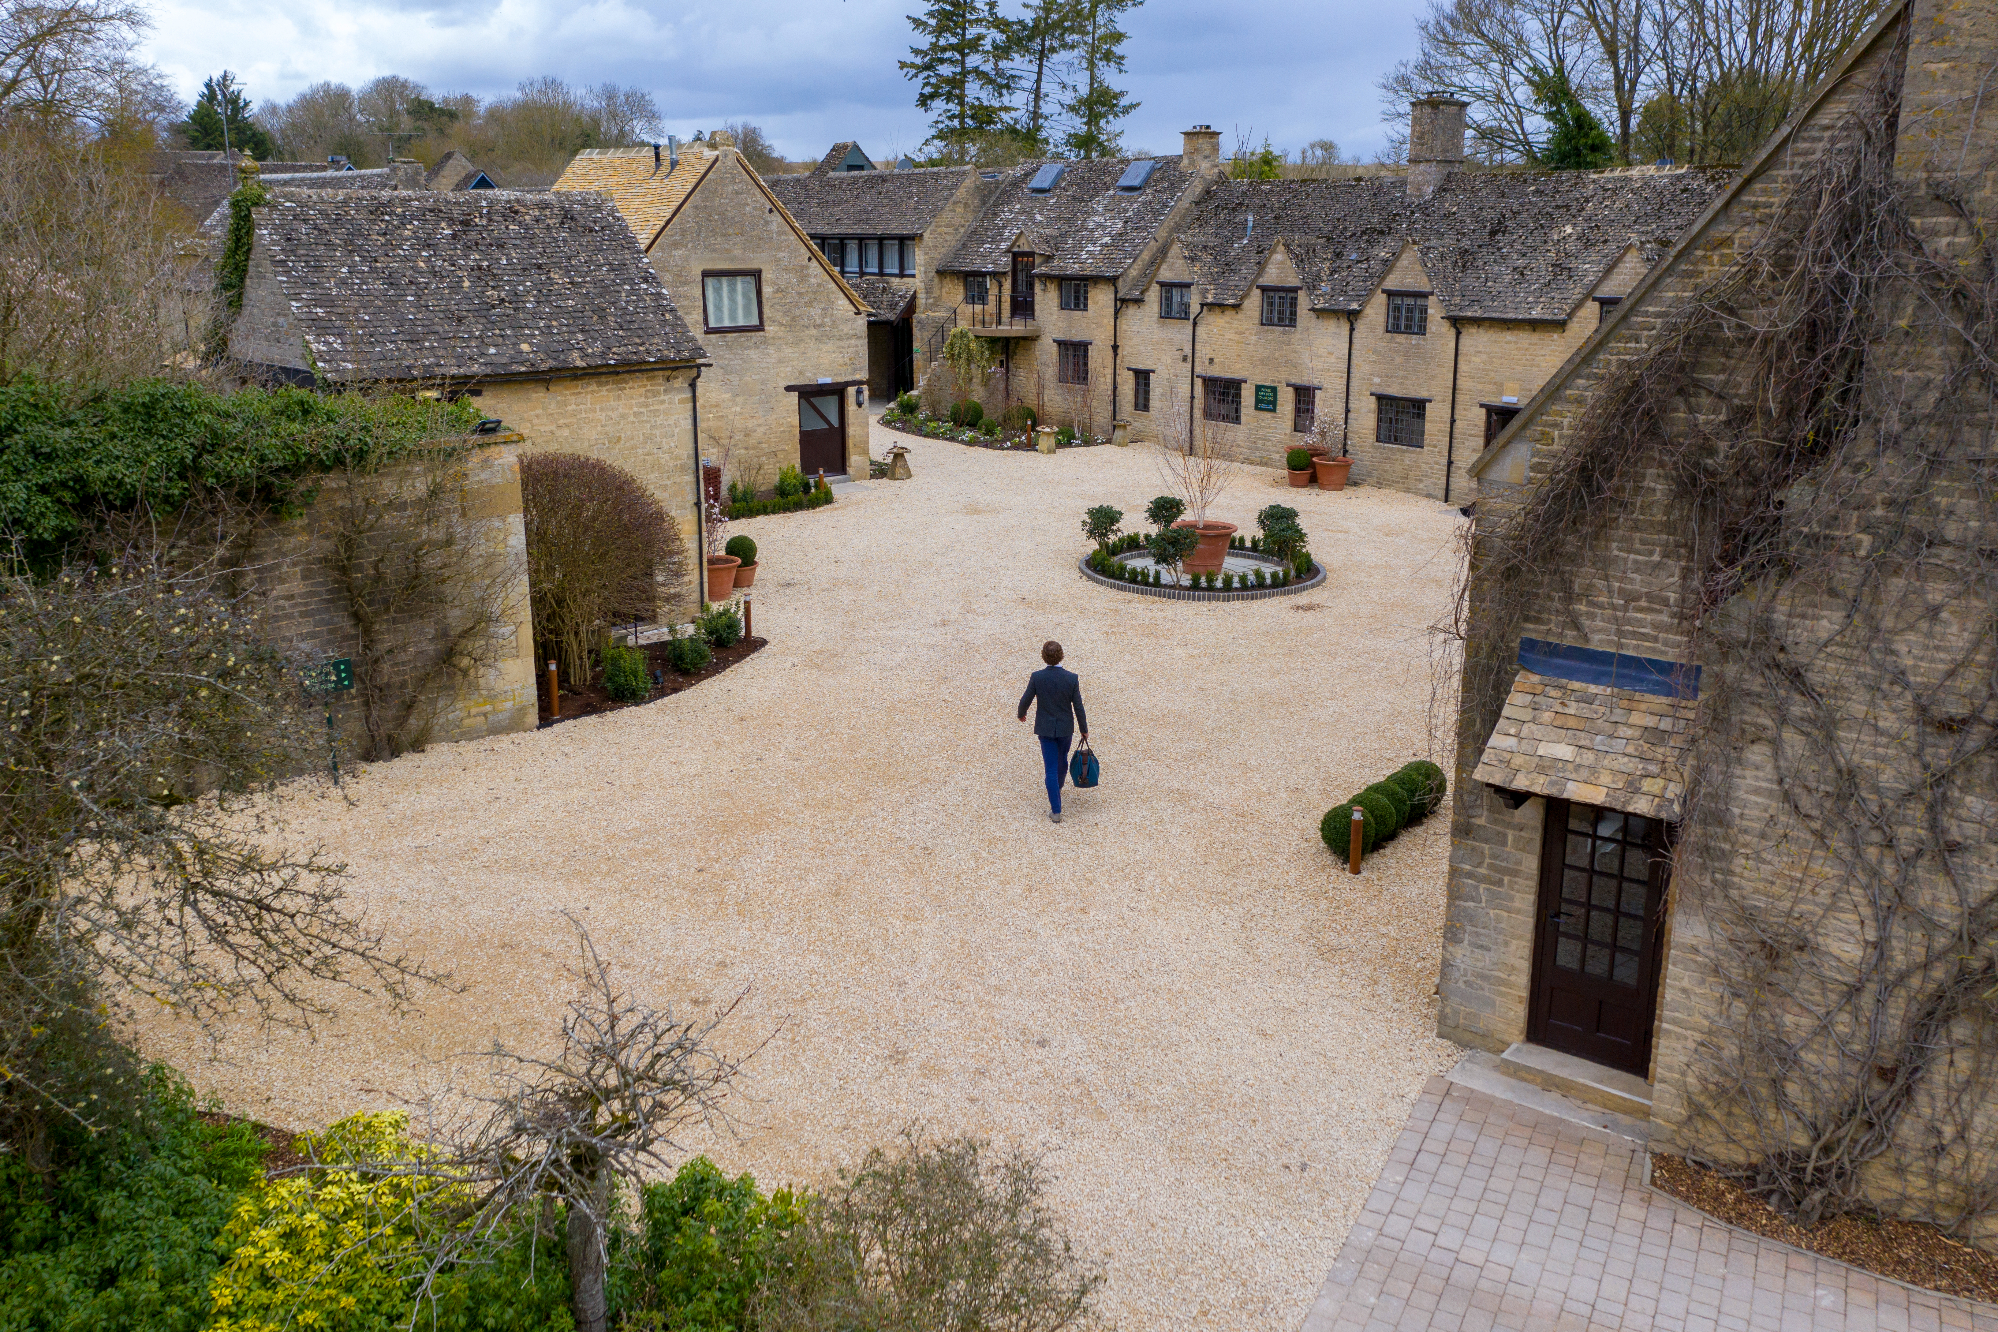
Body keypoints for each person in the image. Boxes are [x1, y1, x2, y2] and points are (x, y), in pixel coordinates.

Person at [1017, 640, 1088, 823]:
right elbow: (1078, 707)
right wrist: (1084, 729)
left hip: (1045, 728)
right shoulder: (1071, 678)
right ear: (1061, 655)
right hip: (1065, 728)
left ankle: (1056, 810)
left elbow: (1026, 699)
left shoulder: (1037, 677)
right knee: (1062, 761)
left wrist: (1021, 714)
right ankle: (1058, 787)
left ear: (1043, 656)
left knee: (1050, 768)